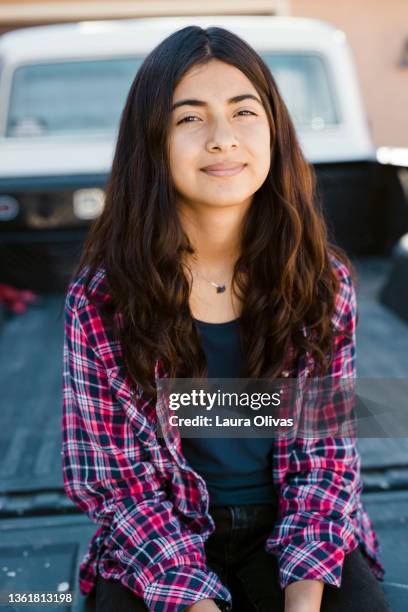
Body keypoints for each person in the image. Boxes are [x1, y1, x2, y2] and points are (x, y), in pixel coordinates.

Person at [61, 25, 391, 612]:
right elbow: (121, 488)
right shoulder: (103, 300)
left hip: (298, 532)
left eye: (244, 112)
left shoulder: (320, 282)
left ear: (274, 132)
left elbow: (327, 461)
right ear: (152, 141)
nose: (222, 139)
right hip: (160, 539)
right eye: (190, 118)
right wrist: (195, 602)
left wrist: (303, 602)